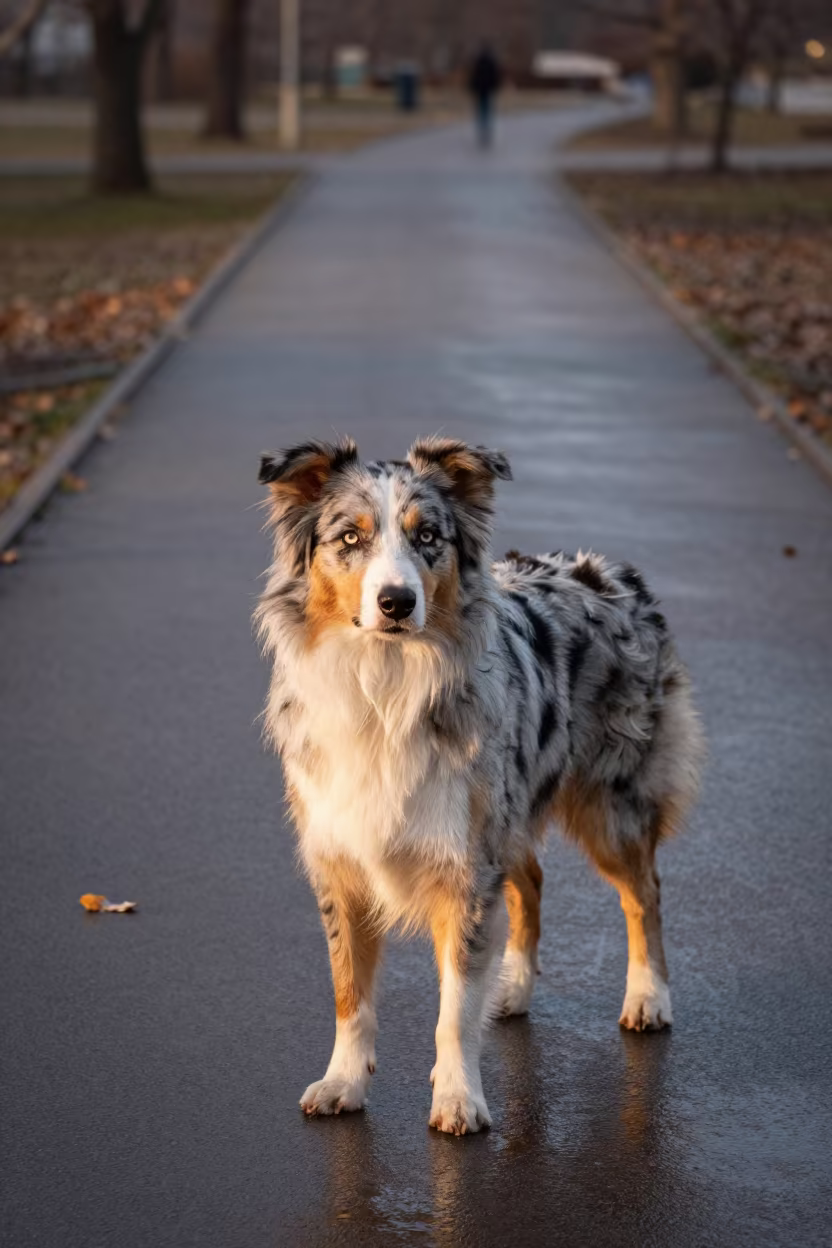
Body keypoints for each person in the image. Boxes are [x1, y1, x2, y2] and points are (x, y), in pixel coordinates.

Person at [468, 43, 502, 147]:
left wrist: (472, 87)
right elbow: (496, 76)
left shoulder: (478, 61)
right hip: (488, 89)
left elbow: (473, 76)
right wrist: (495, 87)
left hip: (480, 89)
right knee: (488, 109)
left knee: (481, 109)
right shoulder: (492, 61)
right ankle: (487, 129)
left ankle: (482, 128)